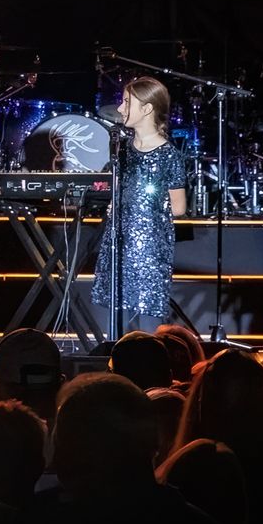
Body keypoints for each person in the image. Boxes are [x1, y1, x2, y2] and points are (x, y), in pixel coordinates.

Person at [91, 76, 190, 338]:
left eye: (126, 102)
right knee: (115, 308)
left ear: (147, 108)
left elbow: (178, 207)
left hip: (150, 246)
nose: (120, 108)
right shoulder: (122, 150)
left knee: (147, 318)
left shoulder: (169, 155)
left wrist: (144, 210)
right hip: (119, 241)